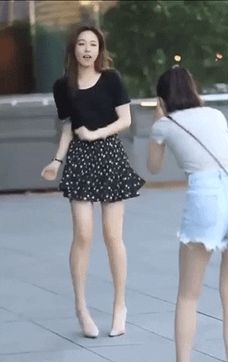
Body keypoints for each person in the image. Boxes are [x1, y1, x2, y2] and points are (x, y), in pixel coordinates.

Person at [41, 25, 145, 339]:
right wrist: (56, 161)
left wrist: (96, 134)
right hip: (79, 160)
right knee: (83, 234)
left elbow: (125, 121)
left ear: (100, 50)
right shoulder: (63, 86)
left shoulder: (112, 79)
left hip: (109, 155)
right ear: (73, 49)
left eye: (94, 44)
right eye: (82, 44)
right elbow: (69, 127)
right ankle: (81, 307)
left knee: (113, 235)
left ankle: (119, 306)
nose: (88, 49)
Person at [147, 66, 228, 362]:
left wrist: (160, 117)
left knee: (189, 295)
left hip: (206, 198)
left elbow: (153, 167)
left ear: (162, 98)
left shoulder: (163, 124)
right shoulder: (214, 114)